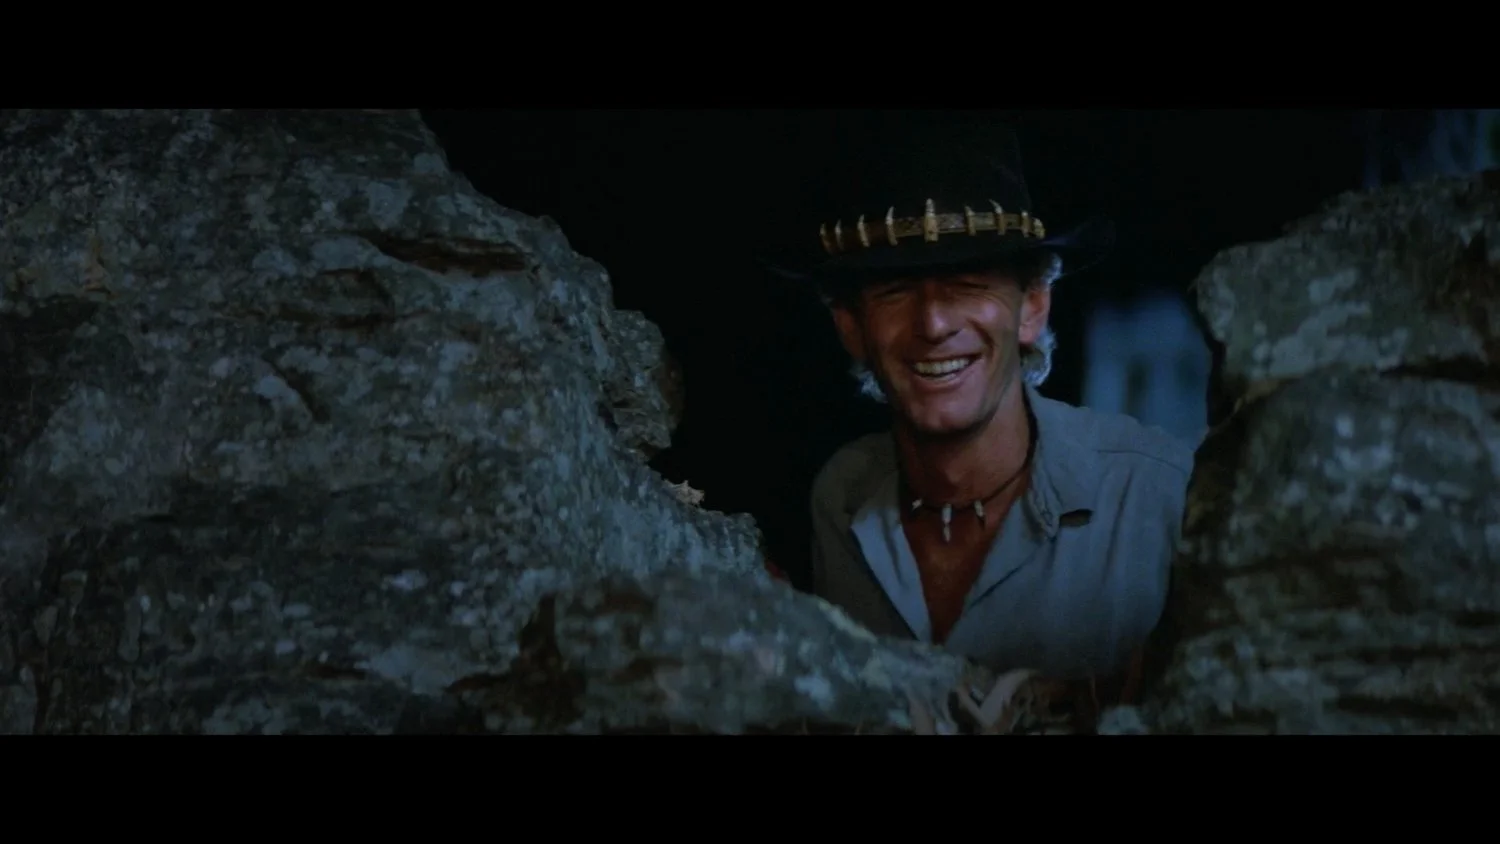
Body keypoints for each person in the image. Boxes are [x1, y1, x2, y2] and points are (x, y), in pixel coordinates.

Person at [768, 118, 1194, 716]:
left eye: (969, 283)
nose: (934, 324)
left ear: (1033, 309)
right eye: (894, 290)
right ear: (851, 327)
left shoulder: (1159, 500)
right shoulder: (840, 502)